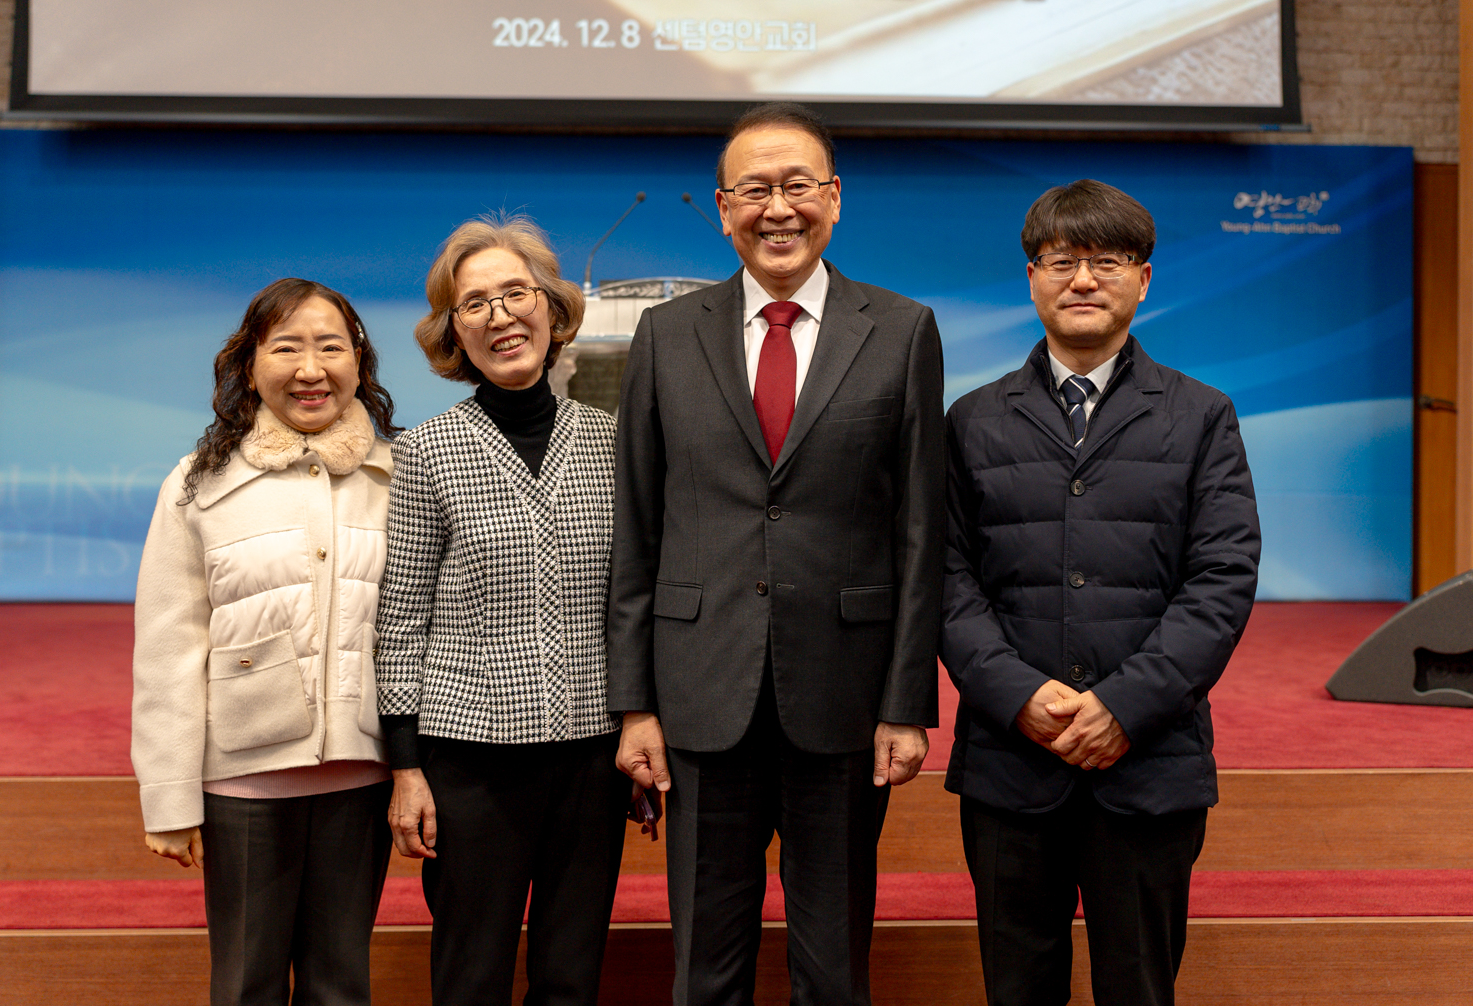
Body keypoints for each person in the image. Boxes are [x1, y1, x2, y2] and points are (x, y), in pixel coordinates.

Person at [607, 101, 945, 1005]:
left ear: (834, 198)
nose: (779, 208)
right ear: (723, 210)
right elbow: (636, 529)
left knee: (833, 967)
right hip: (699, 694)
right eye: (755, 190)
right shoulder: (665, 334)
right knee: (704, 969)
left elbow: (920, 531)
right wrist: (634, 706)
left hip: (844, 696)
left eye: (798, 185)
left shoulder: (902, 329)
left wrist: (907, 704)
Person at [941, 179, 1262, 1006]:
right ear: (1032, 278)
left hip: (1148, 763)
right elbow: (945, 577)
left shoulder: (1201, 416)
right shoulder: (972, 421)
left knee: (1141, 987)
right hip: (1012, 763)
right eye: (1062, 261)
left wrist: (1125, 706)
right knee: (1017, 988)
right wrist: (1017, 695)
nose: (1083, 279)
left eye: (1107, 262)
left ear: (1143, 280)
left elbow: (1222, 578)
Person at [375, 214, 631, 1006]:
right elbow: (400, 620)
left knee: (570, 977)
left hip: (592, 754)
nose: (500, 317)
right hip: (470, 763)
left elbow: (635, 601)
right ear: (454, 332)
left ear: (552, 309)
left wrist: (643, 724)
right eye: (475, 304)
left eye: (516, 294)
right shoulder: (425, 451)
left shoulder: (614, 442)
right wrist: (406, 768)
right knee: (471, 977)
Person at [131, 277, 402, 1006]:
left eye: (330, 347)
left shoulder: (400, 479)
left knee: (341, 986)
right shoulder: (198, 484)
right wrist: (169, 798)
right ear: (249, 366)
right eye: (286, 348)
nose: (311, 369)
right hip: (243, 783)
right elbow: (168, 648)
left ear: (359, 363)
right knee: (245, 985)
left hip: (362, 777)